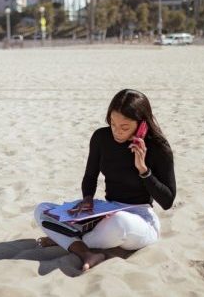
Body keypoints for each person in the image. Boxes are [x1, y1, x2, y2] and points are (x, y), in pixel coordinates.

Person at [34, 89, 176, 271]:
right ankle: (85, 251)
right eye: (112, 123)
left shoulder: (158, 148)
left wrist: (144, 170)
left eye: (124, 127)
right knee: (42, 210)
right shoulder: (101, 137)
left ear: (142, 124)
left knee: (119, 223)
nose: (117, 132)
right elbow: (90, 176)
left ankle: (65, 238)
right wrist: (87, 199)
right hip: (104, 212)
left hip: (138, 220)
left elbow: (167, 201)